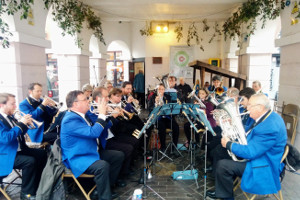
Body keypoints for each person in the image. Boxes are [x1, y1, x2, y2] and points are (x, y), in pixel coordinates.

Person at [206, 93, 287, 200]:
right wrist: (231, 123)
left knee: (223, 165)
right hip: (259, 156)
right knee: (220, 151)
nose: (247, 108)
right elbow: (252, 130)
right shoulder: (267, 116)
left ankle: (227, 197)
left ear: (259, 108)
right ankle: (223, 189)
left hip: (264, 165)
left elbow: (250, 153)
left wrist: (229, 144)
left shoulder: (270, 126)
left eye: (250, 105)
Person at [60, 90, 124, 199]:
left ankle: (103, 188)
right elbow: (93, 133)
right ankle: (104, 196)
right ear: (75, 104)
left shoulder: (81, 115)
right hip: (78, 157)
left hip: (89, 152)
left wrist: (106, 115)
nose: (88, 101)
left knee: (118, 156)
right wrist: (102, 114)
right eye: (85, 99)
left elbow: (97, 127)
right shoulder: (70, 119)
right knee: (102, 166)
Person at [0, 93, 47, 200]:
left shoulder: (10, 117)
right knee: (29, 161)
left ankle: (37, 184)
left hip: (18, 149)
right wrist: (21, 124)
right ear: (1, 105)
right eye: (12, 104)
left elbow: (19, 132)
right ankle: (26, 193)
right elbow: (6, 138)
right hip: (5, 154)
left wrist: (26, 124)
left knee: (42, 154)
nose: (15, 106)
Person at [148, 83, 180, 151]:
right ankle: (163, 146)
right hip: (157, 118)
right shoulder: (152, 97)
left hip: (167, 117)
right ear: (156, 90)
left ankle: (174, 146)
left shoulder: (167, 97)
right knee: (161, 127)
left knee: (176, 127)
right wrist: (156, 103)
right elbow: (149, 109)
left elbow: (172, 107)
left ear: (164, 90)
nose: (160, 91)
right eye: (159, 89)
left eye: (162, 89)